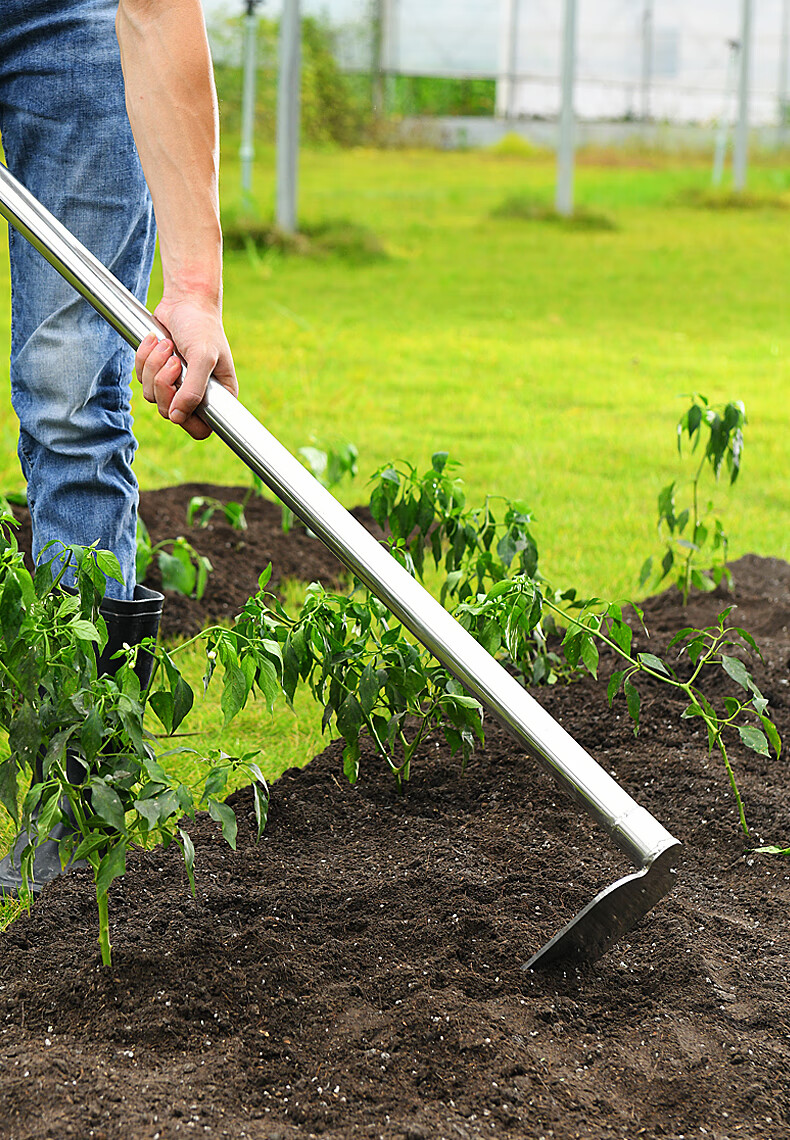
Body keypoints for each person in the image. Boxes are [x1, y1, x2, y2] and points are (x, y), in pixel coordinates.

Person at [0, 0, 237, 895]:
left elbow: (153, 7)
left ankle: (82, 795)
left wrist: (195, 287)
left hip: (67, 23)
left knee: (71, 391)